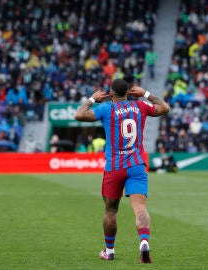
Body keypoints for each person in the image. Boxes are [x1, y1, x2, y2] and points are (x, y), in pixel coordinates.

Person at [75, 79, 170, 263]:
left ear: (111, 94)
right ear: (129, 93)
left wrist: (92, 99)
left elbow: (79, 115)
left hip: (115, 168)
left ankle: (109, 251)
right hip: (136, 165)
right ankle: (144, 242)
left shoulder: (106, 109)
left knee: (110, 211)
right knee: (140, 209)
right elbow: (164, 108)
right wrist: (145, 94)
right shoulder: (141, 106)